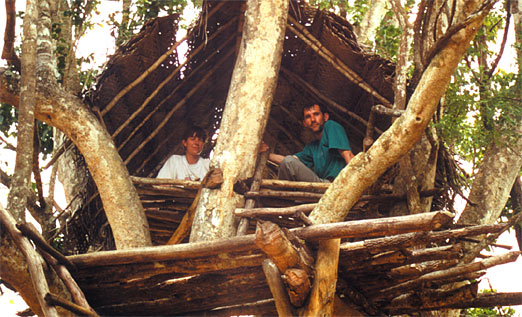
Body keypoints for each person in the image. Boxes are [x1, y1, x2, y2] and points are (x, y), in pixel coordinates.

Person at [262, 104, 354, 182]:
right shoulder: (312, 147)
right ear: (304, 123)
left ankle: (281, 199)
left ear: (325, 117)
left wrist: (353, 182)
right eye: (308, 117)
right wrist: (266, 153)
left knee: (288, 162)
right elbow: (289, 161)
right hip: (320, 185)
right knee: (287, 163)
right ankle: (284, 199)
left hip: (335, 185)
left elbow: (348, 154)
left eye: (316, 114)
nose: (313, 119)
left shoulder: (331, 126)